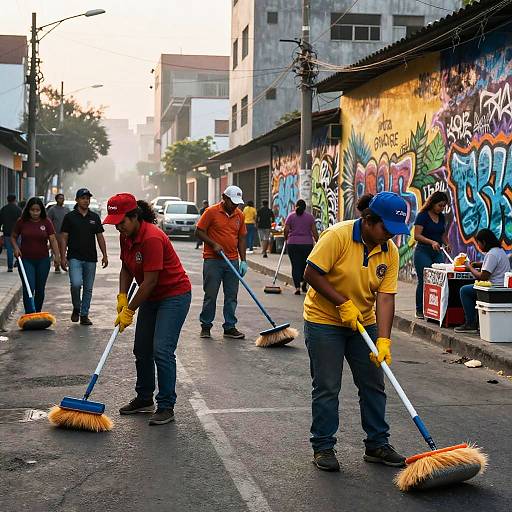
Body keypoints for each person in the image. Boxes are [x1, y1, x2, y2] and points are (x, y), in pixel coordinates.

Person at [303, 191, 408, 472]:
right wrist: (342, 303)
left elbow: (386, 297)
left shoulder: (390, 251)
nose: (390, 236)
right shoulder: (337, 236)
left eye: (395, 231)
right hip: (324, 320)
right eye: (386, 228)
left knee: (374, 383)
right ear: (369, 220)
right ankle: (323, 446)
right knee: (327, 386)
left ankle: (377, 444)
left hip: (364, 322)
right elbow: (311, 274)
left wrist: (383, 339)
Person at [103, 193, 191, 425]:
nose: (118, 227)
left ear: (135, 216)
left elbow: (150, 281)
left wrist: (129, 310)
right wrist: (122, 297)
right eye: (115, 223)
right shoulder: (127, 235)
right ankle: (144, 398)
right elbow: (126, 268)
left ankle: (166, 406)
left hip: (174, 295)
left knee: (161, 349)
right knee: (141, 349)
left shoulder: (151, 237)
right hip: (151, 296)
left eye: (121, 222)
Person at [195, 185, 247, 340]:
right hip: (213, 260)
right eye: (233, 202)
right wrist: (213, 244)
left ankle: (230, 327)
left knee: (231, 296)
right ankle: (206, 326)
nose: (235, 206)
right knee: (211, 295)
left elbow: (242, 237)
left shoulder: (239, 215)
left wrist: (243, 260)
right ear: (224, 198)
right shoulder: (210, 212)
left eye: (238, 203)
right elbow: (198, 231)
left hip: (232, 260)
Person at [60, 188, 108, 325]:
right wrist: (63, 257)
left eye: (88, 198)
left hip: (91, 258)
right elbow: (64, 237)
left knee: (88, 288)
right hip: (74, 257)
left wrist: (105, 254)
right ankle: (76, 307)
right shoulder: (70, 217)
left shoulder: (94, 217)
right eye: (83, 198)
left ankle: (84, 314)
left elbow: (100, 236)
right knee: (75, 284)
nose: (86, 201)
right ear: (77, 200)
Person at [455, 229, 511, 333]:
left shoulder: (492, 254)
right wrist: (477, 264)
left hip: (493, 289)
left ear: (484, 242)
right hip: (501, 287)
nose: (478, 246)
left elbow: (483, 276)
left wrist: (469, 267)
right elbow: (492, 264)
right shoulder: (499, 251)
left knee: (464, 291)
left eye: (479, 243)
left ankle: (470, 323)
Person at [10, 197, 60, 313]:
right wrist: (16, 248)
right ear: (28, 210)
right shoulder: (21, 221)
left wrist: (57, 256)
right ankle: (30, 313)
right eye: (33, 210)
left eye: (38, 210)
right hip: (26, 260)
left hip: (43, 260)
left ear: (42, 210)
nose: (35, 213)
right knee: (29, 287)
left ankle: (37, 313)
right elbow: (13, 236)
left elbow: (53, 240)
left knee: (40, 289)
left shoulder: (46, 222)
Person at [412, 191, 449, 319]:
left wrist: (447, 244)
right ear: (432, 203)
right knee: (424, 280)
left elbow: (442, 235)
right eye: (440, 205)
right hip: (423, 251)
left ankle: (434, 309)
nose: (442, 208)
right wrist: (431, 242)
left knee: (439, 280)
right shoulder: (422, 216)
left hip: (437, 252)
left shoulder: (442, 217)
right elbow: (417, 236)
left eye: (444, 206)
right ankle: (419, 309)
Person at [284, 199, 319, 295]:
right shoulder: (310, 217)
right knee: (306, 266)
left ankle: (297, 288)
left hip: (293, 244)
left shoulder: (291, 216)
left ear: (296, 206)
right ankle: (304, 284)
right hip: (307, 244)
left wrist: (285, 238)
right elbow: (314, 231)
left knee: (295, 265)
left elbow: (286, 229)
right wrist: (318, 241)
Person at [47, 193, 70, 273]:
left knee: (65, 250)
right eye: (60, 198)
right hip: (55, 234)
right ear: (56, 199)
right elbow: (48, 221)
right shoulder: (52, 210)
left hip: (65, 234)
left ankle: (66, 263)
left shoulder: (66, 210)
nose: (62, 200)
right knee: (55, 250)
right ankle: (57, 265)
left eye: (63, 198)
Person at [0, 194, 22, 272]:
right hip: (17, 233)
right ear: (15, 199)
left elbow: (0, 221)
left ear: (7, 199)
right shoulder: (18, 209)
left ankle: (10, 267)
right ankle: (19, 263)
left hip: (7, 233)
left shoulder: (3, 209)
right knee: (18, 248)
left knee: (9, 250)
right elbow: (22, 221)